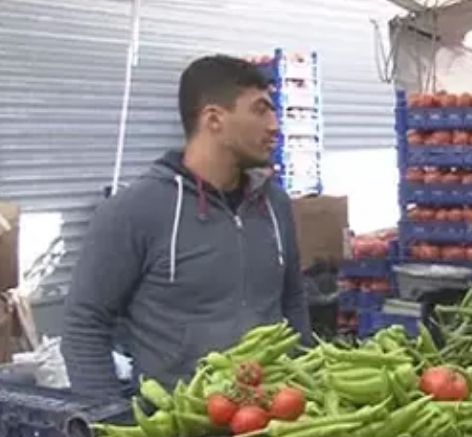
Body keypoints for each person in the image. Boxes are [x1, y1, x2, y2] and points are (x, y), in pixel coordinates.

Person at [64, 55, 310, 397]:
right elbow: (84, 325)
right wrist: (110, 417)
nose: (274, 125)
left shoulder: (274, 204)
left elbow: (292, 300)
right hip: (178, 421)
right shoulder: (135, 210)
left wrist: (308, 383)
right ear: (213, 119)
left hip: (272, 412)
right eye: (260, 110)